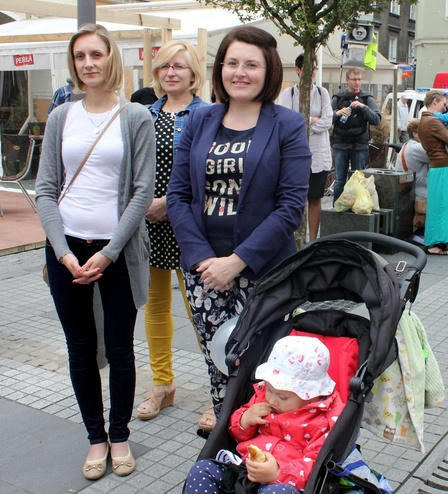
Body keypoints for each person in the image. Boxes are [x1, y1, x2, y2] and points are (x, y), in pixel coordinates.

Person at [166, 26, 311, 434]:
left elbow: (290, 206)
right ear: (220, 69)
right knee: (218, 362)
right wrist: (203, 260)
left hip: (265, 270)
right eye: (232, 63)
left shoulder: (287, 124)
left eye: (252, 64)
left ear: (269, 72)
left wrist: (237, 261)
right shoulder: (199, 120)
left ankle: (267, 449)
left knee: (266, 365)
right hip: (204, 271)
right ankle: (228, 444)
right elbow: (177, 196)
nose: (240, 72)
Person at [35, 23, 155, 480]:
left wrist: (108, 254)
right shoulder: (61, 115)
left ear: (112, 59)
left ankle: (119, 433)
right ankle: (95, 438)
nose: (89, 63)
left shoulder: (135, 117)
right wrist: (62, 251)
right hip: (64, 248)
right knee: (80, 348)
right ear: (74, 62)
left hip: (118, 251)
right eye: (81, 56)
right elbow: (45, 189)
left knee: (121, 348)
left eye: (97, 55)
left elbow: (142, 193)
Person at [136, 40, 209, 423]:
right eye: (164, 66)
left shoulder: (209, 115)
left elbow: (213, 173)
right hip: (149, 226)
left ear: (194, 73)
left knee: (202, 311)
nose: (170, 72)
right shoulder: (145, 114)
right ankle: (162, 384)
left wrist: (167, 202)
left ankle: (220, 389)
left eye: (179, 66)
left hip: (191, 226)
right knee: (156, 306)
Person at [184, 335, 345, 494]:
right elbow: (237, 434)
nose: (273, 400)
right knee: (202, 469)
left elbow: (315, 464)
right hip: (241, 467)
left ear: (312, 395)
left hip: (283, 481)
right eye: (269, 389)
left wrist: (278, 473)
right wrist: (244, 420)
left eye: (283, 397)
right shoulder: (262, 398)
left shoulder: (322, 420)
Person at [280, 53, 333, 242]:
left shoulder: (322, 92)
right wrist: (312, 120)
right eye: (308, 69)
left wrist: (304, 122)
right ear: (298, 70)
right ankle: (296, 238)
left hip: (318, 155)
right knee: (295, 198)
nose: (312, 73)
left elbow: (327, 121)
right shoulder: (289, 94)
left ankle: (313, 240)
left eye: (314, 69)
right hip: (295, 154)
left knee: (315, 197)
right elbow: (287, 121)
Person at [417, 90, 448, 256]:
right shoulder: (433, 121)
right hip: (444, 167)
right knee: (442, 207)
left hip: (438, 166)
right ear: (435, 101)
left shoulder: (424, 121)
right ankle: (433, 244)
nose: (446, 108)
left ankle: (436, 242)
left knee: (439, 206)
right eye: (444, 104)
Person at [330, 68, 381, 201]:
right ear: (347, 80)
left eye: (359, 79)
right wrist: (338, 113)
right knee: (339, 181)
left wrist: (363, 107)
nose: (357, 82)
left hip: (360, 144)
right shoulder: (338, 98)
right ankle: (337, 210)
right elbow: (326, 119)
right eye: (354, 79)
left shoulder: (366, 98)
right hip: (340, 144)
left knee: (359, 181)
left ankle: (357, 212)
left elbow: (376, 119)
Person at [396, 118, 429, 239]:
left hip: (410, 184)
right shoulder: (417, 148)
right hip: (419, 187)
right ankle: (422, 233)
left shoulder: (408, 145)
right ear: (415, 134)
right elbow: (436, 157)